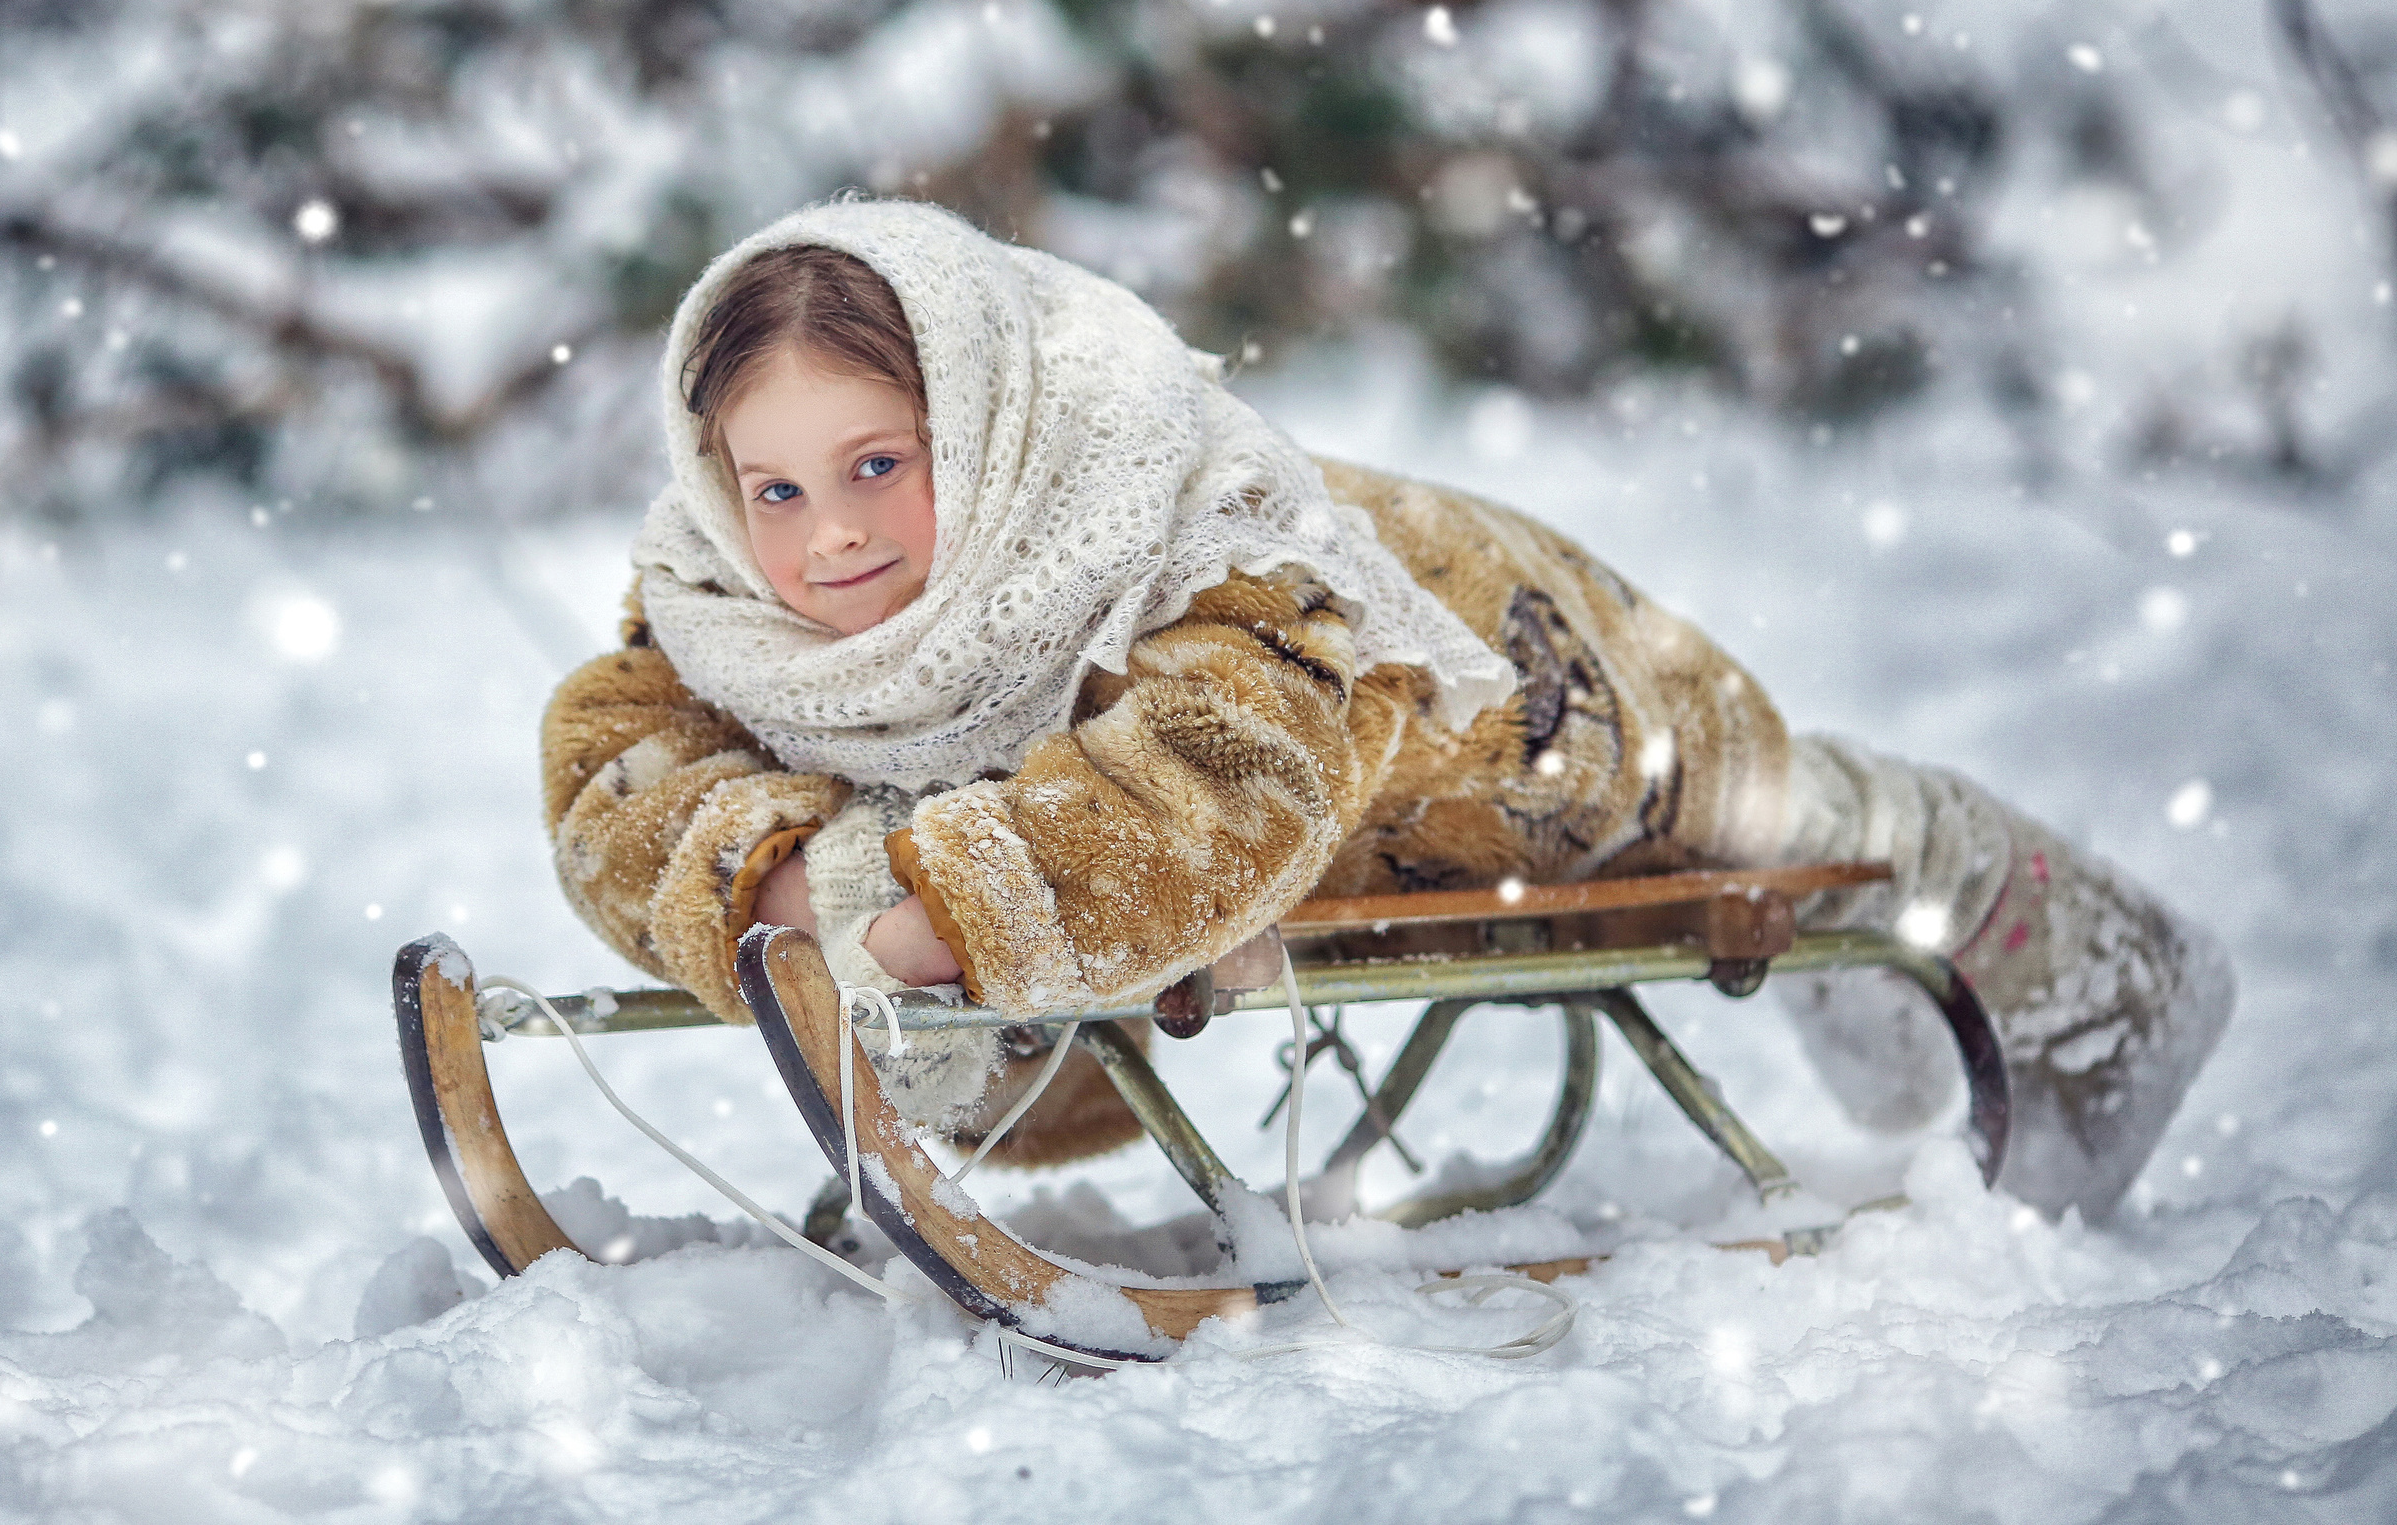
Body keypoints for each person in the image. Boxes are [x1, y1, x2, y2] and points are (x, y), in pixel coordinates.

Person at [541, 199, 2232, 1222]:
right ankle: (1874, 951)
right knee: (991, 897)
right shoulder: (724, 599)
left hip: (1520, 697)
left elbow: (1208, 797)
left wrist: (908, 934)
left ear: (981, 433)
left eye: (878, 467)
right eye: (770, 490)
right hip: (1321, 835)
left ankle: (2104, 963)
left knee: (1774, 811)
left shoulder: (1216, 559)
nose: (824, 539)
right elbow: (619, 764)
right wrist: (800, 896)